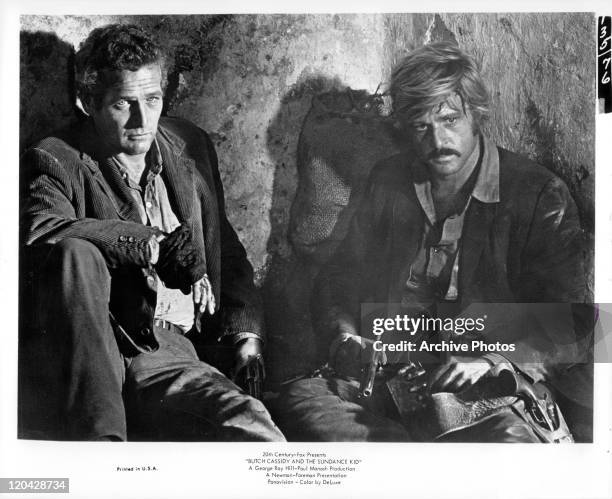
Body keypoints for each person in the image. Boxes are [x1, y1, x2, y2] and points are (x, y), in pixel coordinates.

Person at [271, 41, 592, 442]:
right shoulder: (389, 180)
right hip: (392, 380)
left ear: (476, 115)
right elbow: (341, 276)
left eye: (450, 120)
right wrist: (344, 336)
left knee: (506, 455)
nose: (437, 140)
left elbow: (573, 321)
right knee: (299, 403)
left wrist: (492, 360)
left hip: (486, 392)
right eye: (422, 126)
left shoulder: (539, 194)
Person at [19, 23, 285, 442]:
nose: (143, 120)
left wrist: (246, 333)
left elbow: (226, 251)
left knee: (250, 426)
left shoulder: (189, 143)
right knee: (75, 250)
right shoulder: (56, 158)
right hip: (101, 339)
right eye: (125, 103)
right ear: (87, 101)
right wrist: (151, 245)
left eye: (153, 99)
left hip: (167, 348)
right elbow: (44, 231)